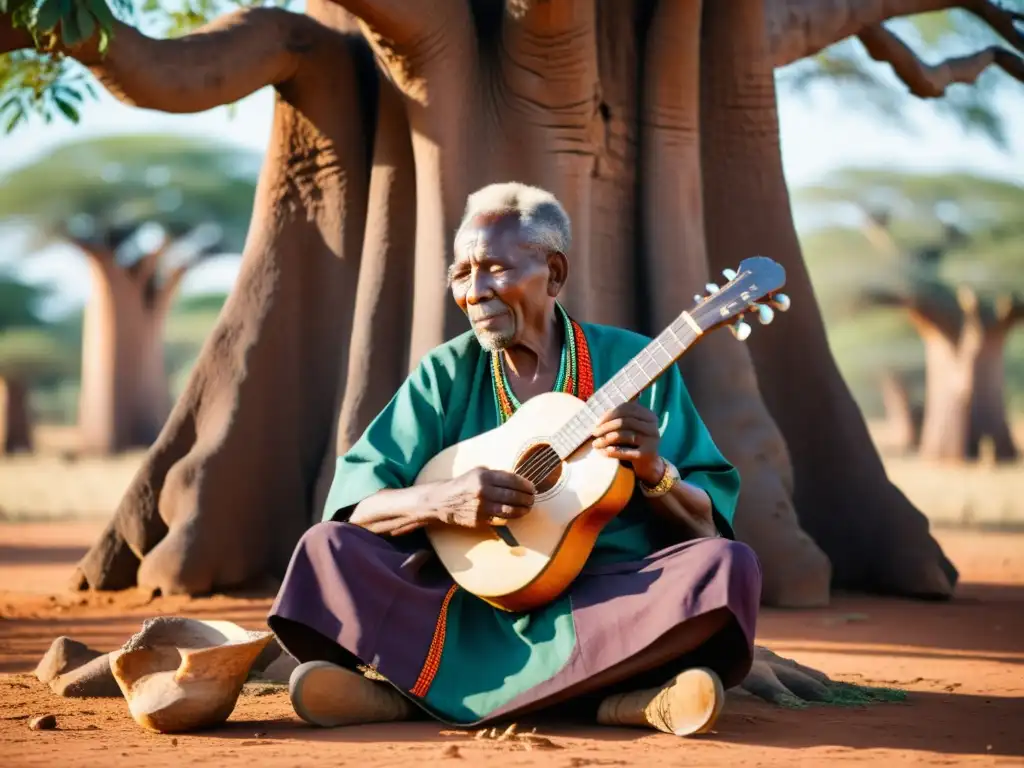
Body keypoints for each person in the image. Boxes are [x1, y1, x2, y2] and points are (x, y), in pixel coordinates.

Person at [267, 181, 762, 737]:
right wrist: (441, 501)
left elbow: (708, 527)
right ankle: (620, 701)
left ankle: (406, 701)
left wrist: (655, 473)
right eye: (461, 273)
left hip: (609, 598)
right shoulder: (445, 372)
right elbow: (357, 505)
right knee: (326, 550)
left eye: (494, 269)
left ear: (554, 274)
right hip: (465, 603)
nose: (473, 291)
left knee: (727, 567)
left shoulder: (637, 365)